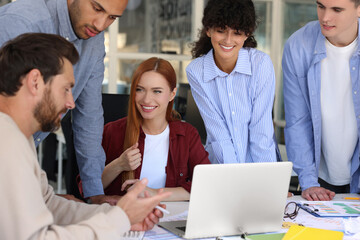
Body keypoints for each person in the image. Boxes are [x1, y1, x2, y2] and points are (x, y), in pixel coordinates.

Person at [0, 32, 171, 239]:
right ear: (35, 81)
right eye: (66, 89)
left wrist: (117, 214)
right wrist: (119, 221)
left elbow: (47, 202)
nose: (71, 103)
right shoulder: (6, 139)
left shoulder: (18, 134)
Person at [0, 0, 129, 204]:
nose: (101, 24)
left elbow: (89, 116)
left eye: (112, 18)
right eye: (97, 8)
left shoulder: (94, 41)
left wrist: (94, 194)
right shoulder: (20, 22)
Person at [98, 57, 210, 201]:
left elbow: (205, 185)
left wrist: (153, 193)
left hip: (168, 219)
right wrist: (118, 165)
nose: (146, 100)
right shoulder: (112, 131)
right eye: (140, 90)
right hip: (124, 219)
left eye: (156, 91)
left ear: (172, 94)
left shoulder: (187, 135)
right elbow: (86, 188)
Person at [283, 0, 360, 201]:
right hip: (318, 179)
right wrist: (308, 182)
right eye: (320, 6)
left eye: (337, 9)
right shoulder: (297, 46)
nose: (325, 18)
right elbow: (297, 121)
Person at [186, 0, 277, 164]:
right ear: (208, 30)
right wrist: (234, 176)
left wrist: (266, 181)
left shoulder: (260, 64)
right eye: (221, 31)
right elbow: (218, 132)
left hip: (260, 166)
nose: (228, 40)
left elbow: (261, 130)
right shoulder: (196, 71)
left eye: (237, 33)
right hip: (222, 165)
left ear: (247, 33)